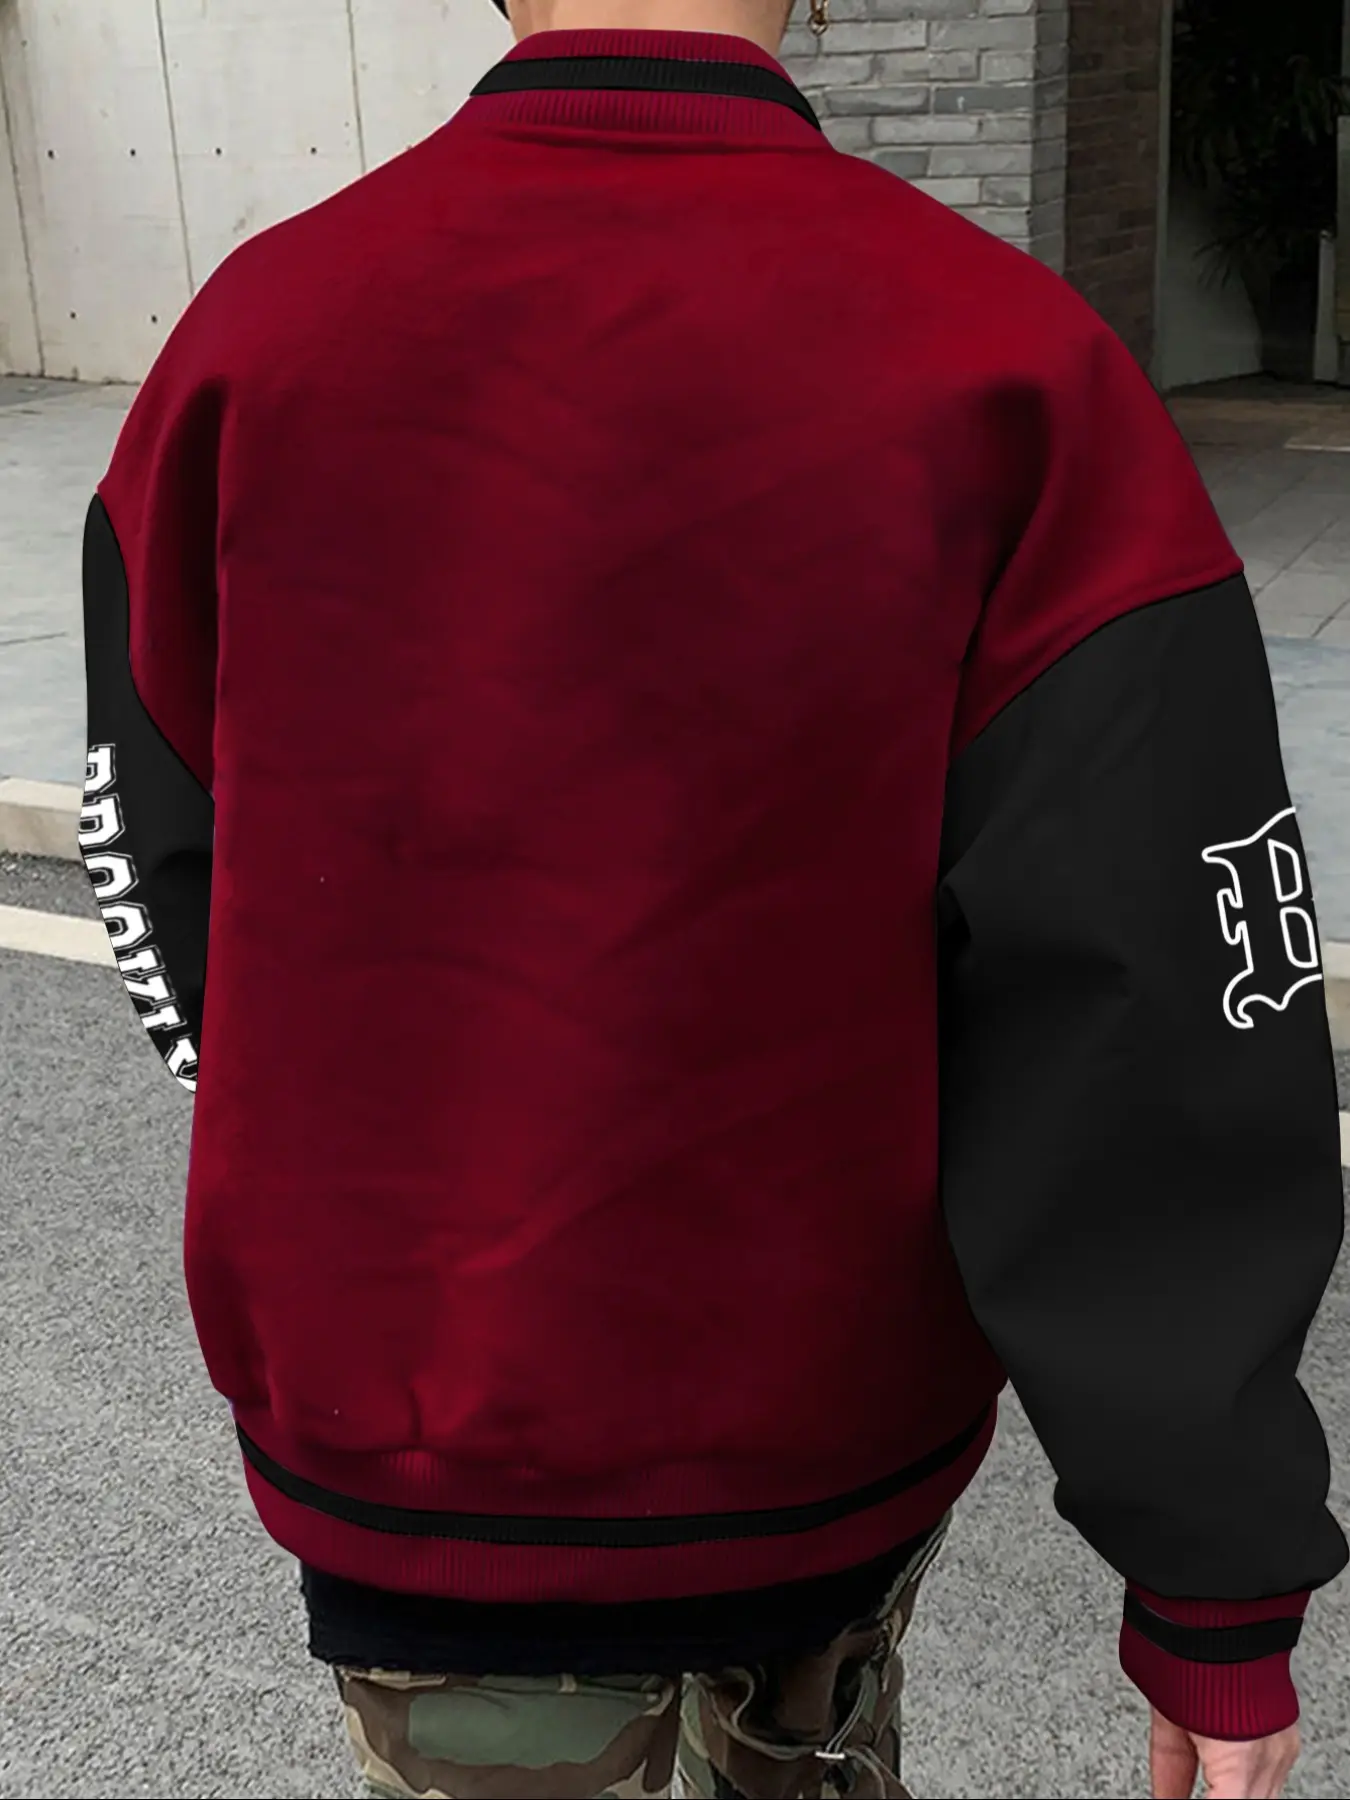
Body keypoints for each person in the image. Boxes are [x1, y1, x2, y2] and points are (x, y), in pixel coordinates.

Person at [74, 0, 1346, 1792]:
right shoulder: (1004, 361)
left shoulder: (255, 338)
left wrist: (363, 1191)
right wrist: (1212, 1575)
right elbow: (1152, 1006)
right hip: (817, 1439)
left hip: (403, 1428)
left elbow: (159, 864)